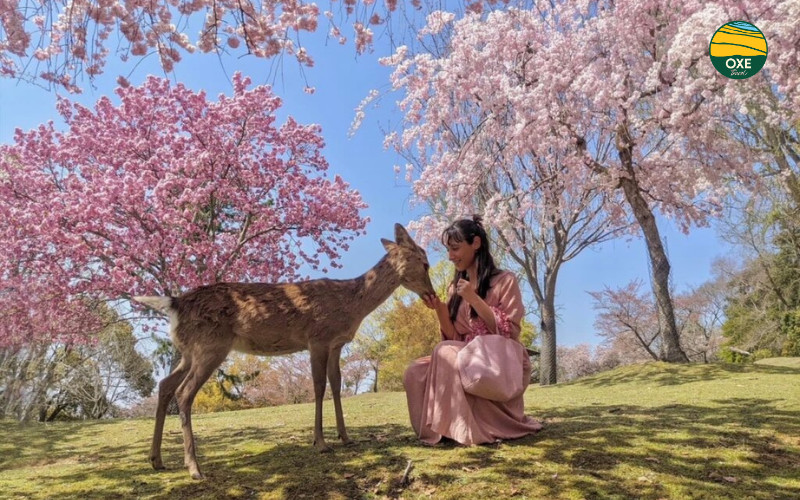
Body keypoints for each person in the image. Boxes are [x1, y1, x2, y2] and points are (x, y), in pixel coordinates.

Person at [403, 216, 542, 445]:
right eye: (448, 250)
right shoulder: (454, 288)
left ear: (475, 243)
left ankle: (465, 428)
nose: (450, 256)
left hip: (497, 357)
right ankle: (440, 429)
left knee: (445, 352)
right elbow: (454, 337)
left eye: (455, 248)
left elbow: (511, 331)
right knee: (415, 371)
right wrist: (439, 308)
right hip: (465, 353)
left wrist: (474, 298)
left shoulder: (505, 280)